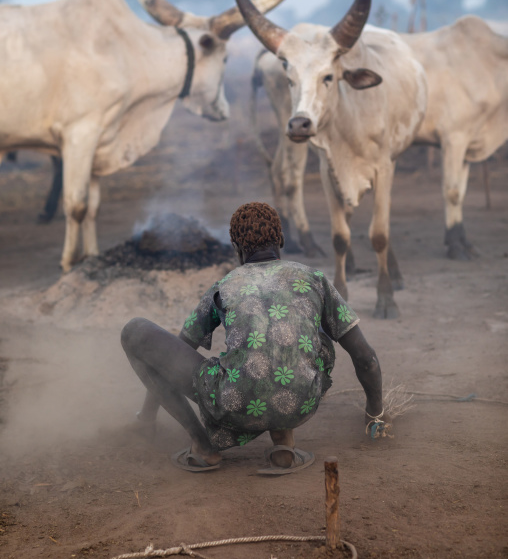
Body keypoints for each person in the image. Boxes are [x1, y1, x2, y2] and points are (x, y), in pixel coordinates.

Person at [121, 202, 385, 474]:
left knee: (134, 330)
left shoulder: (223, 287)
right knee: (299, 338)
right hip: (301, 401)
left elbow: (171, 358)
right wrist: (375, 415)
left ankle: (202, 445)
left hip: (236, 404)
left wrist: (148, 415)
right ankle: (283, 441)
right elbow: (365, 357)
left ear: (236, 247)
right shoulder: (314, 279)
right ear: (280, 239)